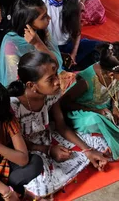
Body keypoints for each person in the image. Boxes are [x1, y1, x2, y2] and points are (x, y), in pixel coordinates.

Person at [7, 51, 109, 198]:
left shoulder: (51, 94)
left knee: (98, 143)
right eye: (50, 79)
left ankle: (85, 157)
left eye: (55, 75)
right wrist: (49, 150)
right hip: (27, 150)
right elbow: (16, 145)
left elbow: (61, 126)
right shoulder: (14, 105)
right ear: (31, 85)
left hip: (49, 138)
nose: (57, 81)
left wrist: (87, 150)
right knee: (41, 185)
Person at [37, 0, 101, 71]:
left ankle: (72, 65)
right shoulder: (39, 1)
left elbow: (77, 31)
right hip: (48, 50)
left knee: (104, 50)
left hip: (69, 47)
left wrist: (73, 54)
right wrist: (55, 55)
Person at [0, 0, 63, 86]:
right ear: (28, 23)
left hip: (50, 78)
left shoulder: (42, 31)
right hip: (30, 88)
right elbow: (14, 81)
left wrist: (38, 44)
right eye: (43, 17)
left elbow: (57, 64)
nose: (49, 18)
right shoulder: (11, 44)